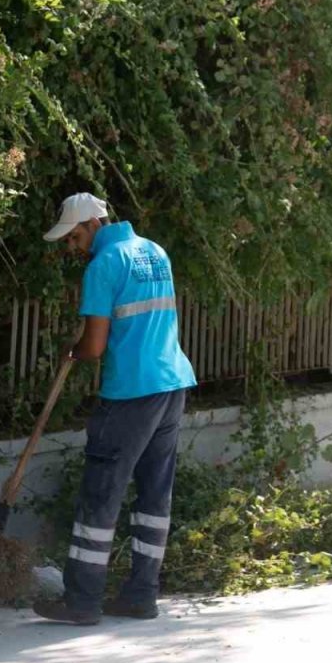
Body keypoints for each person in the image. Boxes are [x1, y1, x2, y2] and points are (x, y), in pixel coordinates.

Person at [33, 192, 197, 625]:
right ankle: (141, 596)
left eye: (73, 237)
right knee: (154, 495)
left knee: (101, 493)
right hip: (171, 384)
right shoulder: (155, 252)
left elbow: (94, 346)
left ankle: (82, 601)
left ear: (93, 225)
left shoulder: (104, 264)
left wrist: (73, 352)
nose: (72, 247)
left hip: (130, 392)